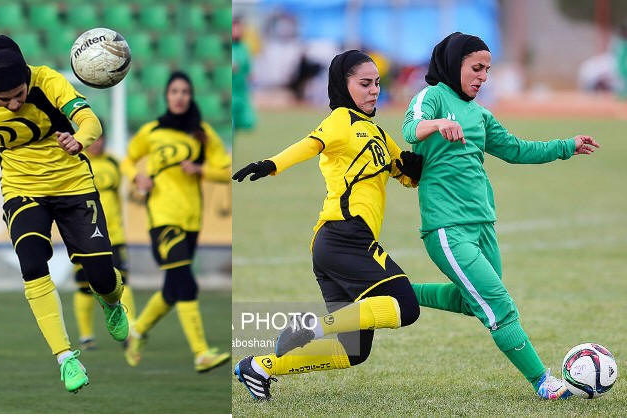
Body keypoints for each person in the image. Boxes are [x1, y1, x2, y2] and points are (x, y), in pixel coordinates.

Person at [401, 32, 600, 400]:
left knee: (470, 301)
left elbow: (516, 149)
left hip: (482, 226)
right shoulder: (432, 96)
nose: (483, 77)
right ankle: (543, 382)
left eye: (487, 70)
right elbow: (410, 127)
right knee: (498, 305)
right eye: (476, 68)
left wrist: (566, 146)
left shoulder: (480, 114)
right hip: (446, 228)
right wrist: (437, 124)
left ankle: (392, 291)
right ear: (454, 64)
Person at [232, 50, 423, 401]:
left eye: (377, 83)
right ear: (341, 85)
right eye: (364, 84)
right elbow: (309, 145)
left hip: (334, 246)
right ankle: (314, 325)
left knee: (353, 352)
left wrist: (414, 170)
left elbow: (405, 175)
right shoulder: (340, 120)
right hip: (345, 236)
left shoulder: (379, 134)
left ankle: (260, 367)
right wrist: (271, 164)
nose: (373, 90)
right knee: (406, 306)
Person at [0, 33, 129, 393]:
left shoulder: (49, 81)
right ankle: (66, 358)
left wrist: (79, 139)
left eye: (19, 95)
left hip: (72, 186)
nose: (13, 105)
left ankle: (111, 301)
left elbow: (92, 122)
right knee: (32, 263)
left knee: (101, 275)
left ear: (26, 78)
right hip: (21, 189)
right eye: (4, 99)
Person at [121, 71, 231, 373]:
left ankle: (137, 332)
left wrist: (200, 170)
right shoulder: (152, 131)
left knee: (173, 289)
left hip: (191, 218)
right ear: (166, 96)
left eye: (185, 91)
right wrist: (137, 177)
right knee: (186, 282)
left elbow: (225, 172)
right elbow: (128, 159)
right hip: (162, 216)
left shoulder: (202, 133)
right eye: (174, 91)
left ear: (191, 96)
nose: (179, 96)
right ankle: (201, 353)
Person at [73, 126, 136, 351]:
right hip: (83, 236)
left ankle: (130, 331)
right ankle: (86, 336)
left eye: (101, 138)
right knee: (85, 286)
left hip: (114, 235)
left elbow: (127, 185)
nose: (97, 143)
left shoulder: (114, 163)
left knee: (122, 283)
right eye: (94, 139)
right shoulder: (75, 161)